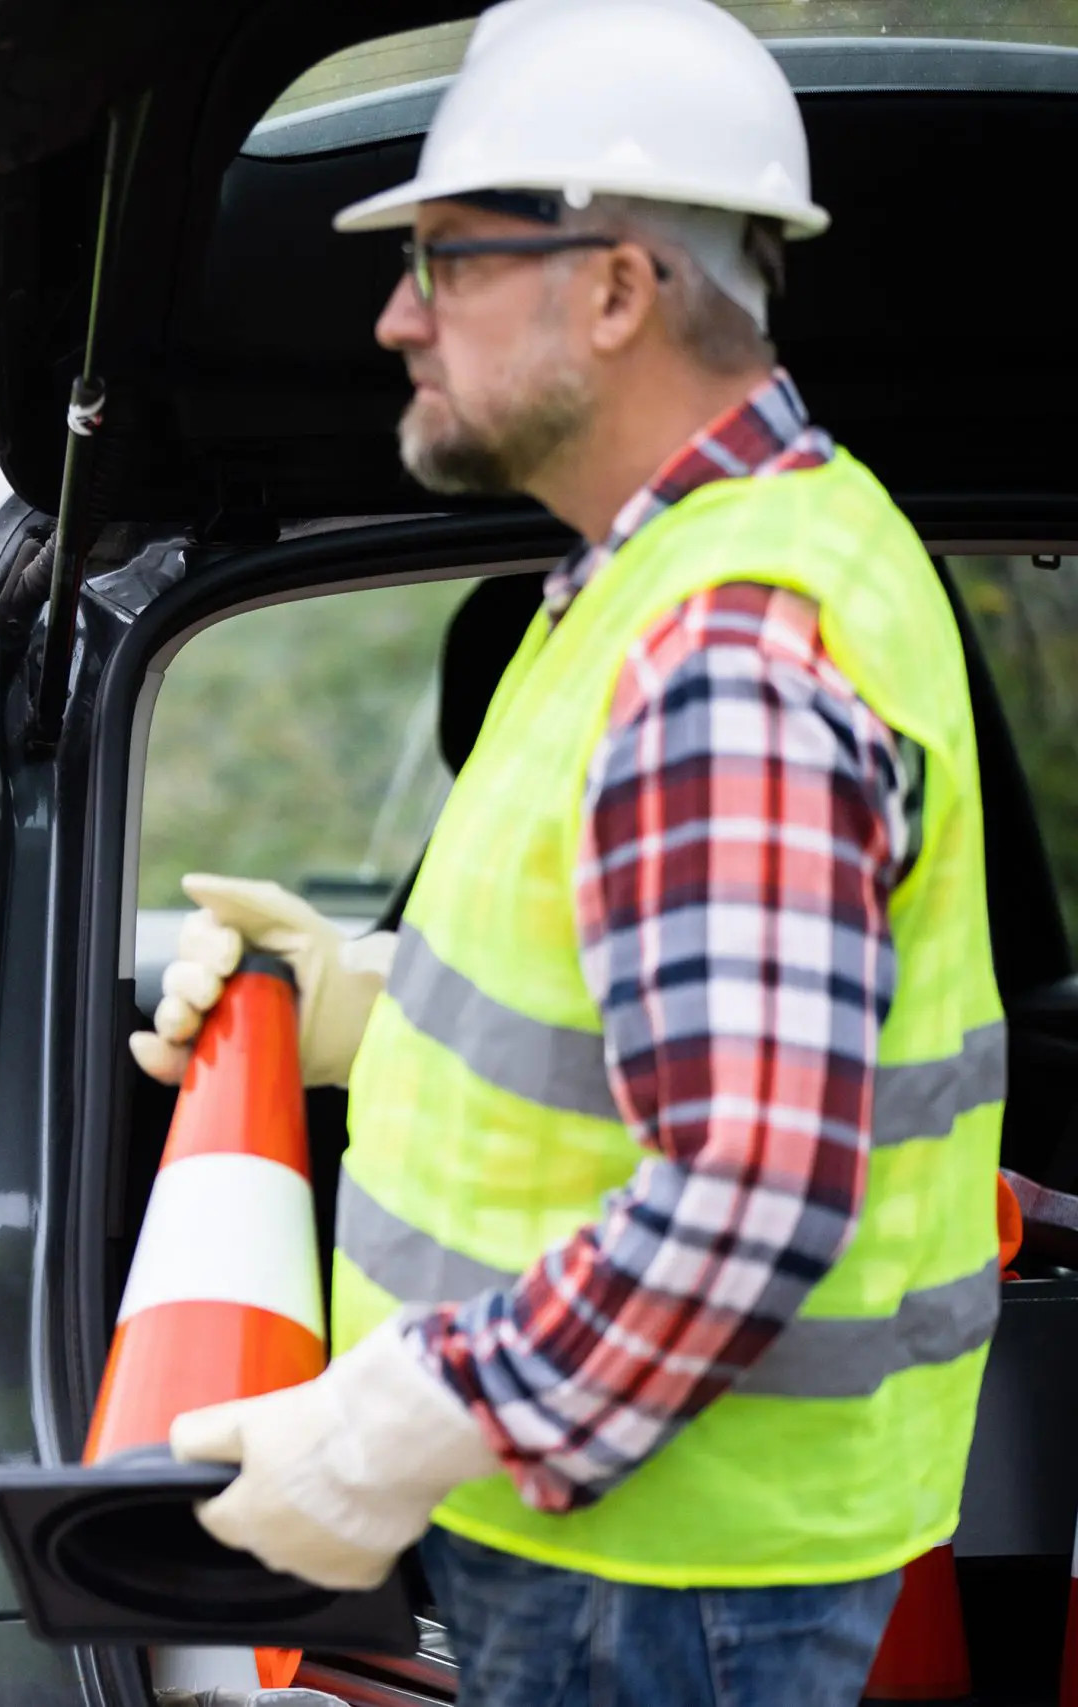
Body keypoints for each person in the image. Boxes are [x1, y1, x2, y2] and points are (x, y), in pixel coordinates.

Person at [132, 2, 1002, 1701]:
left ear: (614, 289)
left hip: (667, 1577)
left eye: (447, 261)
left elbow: (746, 1199)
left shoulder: (730, 647)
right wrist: (353, 1002)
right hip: (644, 1549)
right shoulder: (684, 572)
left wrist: (396, 1424)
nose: (394, 317)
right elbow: (632, 1026)